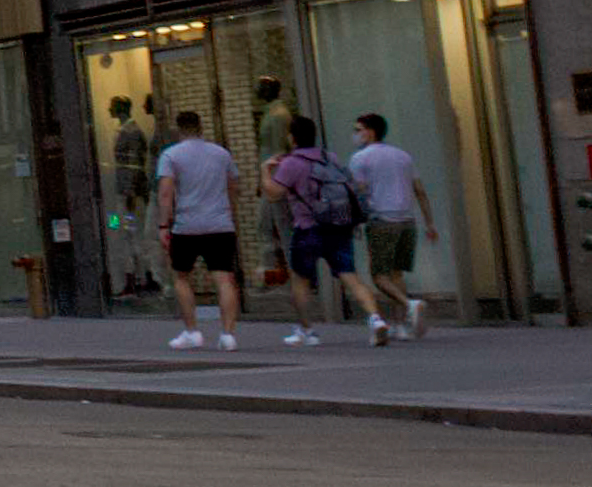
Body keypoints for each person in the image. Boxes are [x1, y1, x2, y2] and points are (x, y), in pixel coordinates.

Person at [151, 108, 242, 345]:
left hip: (187, 226)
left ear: (179, 129)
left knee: (181, 277)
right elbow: (233, 187)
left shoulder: (171, 155)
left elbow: (165, 193)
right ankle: (228, 334)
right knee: (224, 279)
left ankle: (192, 332)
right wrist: (231, 214)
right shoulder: (221, 154)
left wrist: (163, 225)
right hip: (220, 225)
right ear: (201, 127)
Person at [346, 112, 436, 344]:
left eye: (358, 129)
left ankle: (409, 305)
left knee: (379, 276)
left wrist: (354, 219)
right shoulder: (403, 156)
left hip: (381, 220)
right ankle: (400, 325)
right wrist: (429, 222)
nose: (355, 134)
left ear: (371, 131)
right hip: (407, 221)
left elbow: (359, 191)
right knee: (397, 273)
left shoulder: (360, 159)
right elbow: (420, 190)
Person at [264, 125, 353, 345]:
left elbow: (274, 194)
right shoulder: (329, 157)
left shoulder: (291, 163)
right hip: (335, 224)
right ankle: (376, 318)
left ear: (292, 138)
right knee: (348, 274)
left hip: (307, 227)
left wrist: (264, 170)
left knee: (300, 280)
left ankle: (307, 330)